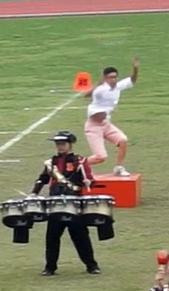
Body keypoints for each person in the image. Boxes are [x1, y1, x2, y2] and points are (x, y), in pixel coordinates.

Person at [31, 131, 101, 276]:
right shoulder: (51, 163)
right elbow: (42, 179)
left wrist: (89, 181)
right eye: (58, 144)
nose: (60, 146)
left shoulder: (79, 161)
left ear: (70, 145)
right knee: (52, 237)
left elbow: (88, 178)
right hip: (55, 203)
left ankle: (91, 265)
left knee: (80, 236)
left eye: (62, 143)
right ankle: (50, 267)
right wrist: (34, 193)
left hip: (74, 203)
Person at [82, 58, 139, 175]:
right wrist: (98, 83)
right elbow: (86, 95)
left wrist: (135, 69)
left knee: (123, 140)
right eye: (110, 77)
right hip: (94, 127)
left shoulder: (118, 87)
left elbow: (132, 80)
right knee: (100, 157)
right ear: (105, 78)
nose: (113, 79)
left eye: (115, 77)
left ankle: (119, 167)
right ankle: (78, 165)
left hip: (106, 124)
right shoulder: (101, 89)